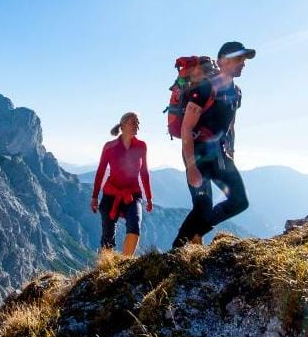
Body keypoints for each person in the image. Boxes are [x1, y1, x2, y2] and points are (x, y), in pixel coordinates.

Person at [172, 41, 255, 248]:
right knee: (202, 207)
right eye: (238, 59)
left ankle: (193, 236)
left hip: (219, 153)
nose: (243, 63)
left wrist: (231, 150)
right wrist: (191, 167)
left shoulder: (237, 92)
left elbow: (231, 124)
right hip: (197, 153)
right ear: (223, 62)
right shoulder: (204, 89)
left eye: (244, 59)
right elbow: (186, 128)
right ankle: (177, 251)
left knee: (239, 202)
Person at [91, 112, 153, 256]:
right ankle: (106, 265)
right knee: (107, 235)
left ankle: (125, 264)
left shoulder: (141, 146)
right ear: (123, 124)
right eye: (133, 122)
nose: (136, 125)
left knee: (135, 226)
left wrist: (149, 197)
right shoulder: (109, 146)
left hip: (132, 194)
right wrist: (94, 197)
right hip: (111, 193)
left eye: (138, 123)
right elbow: (100, 171)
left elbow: (144, 172)